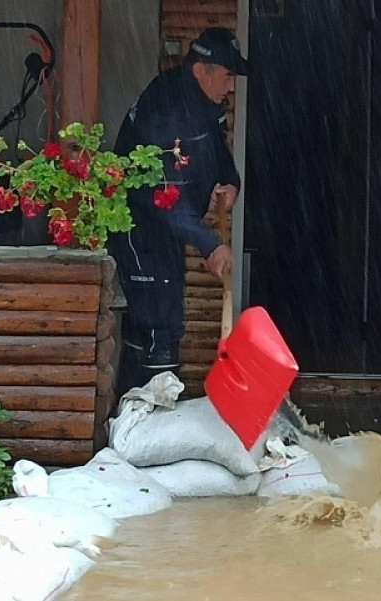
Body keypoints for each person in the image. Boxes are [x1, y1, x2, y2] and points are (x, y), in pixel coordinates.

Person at [108, 27, 247, 394]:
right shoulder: (166, 113)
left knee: (156, 326)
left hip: (167, 230)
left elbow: (217, 149)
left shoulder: (205, 102)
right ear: (202, 69)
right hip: (140, 229)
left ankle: (136, 418)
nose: (231, 87)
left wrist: (229, 180)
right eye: (228, 76)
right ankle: (149, 423)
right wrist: (210, 244)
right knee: (159, 328)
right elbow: (163, 196)